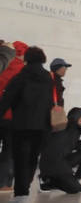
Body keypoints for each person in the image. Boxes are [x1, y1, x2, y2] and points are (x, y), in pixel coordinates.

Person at [0, 46, 53, 199]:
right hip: (42, 127)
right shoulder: (48, 78)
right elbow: (50, 102)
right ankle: (25, 186)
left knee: (20, 159)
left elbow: (7, 100)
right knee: (32, 158)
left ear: (27, 59)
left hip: (21, 125)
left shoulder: (20, 77)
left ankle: (21, 194)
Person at [38, 107, 81, 194]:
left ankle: (54, 181)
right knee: (74, 189)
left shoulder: (75, 130)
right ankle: (46, 179)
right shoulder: (65, 127)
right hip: (53, 164)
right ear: (76, 117)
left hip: (63, 161)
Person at [0, 41, 27, 192]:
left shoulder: (2, 63)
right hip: (12, 117)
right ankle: (3, 183)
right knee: (9, 150)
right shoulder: (23, 70)